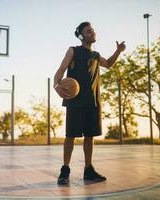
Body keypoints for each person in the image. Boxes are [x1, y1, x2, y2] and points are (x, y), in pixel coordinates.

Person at [53, 22, 126, 185]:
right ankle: (65, 170)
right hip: (75, 100)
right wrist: (57, 86)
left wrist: (118, 51)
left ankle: (88, 170)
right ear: (81, 35)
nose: (92, 32)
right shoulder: (73, 50)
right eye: (88, 31)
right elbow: (60, 70)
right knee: (70, 136)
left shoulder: (96, 55)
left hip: (93, 100)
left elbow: (108, 64)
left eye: (93, 30)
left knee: (89, 136)